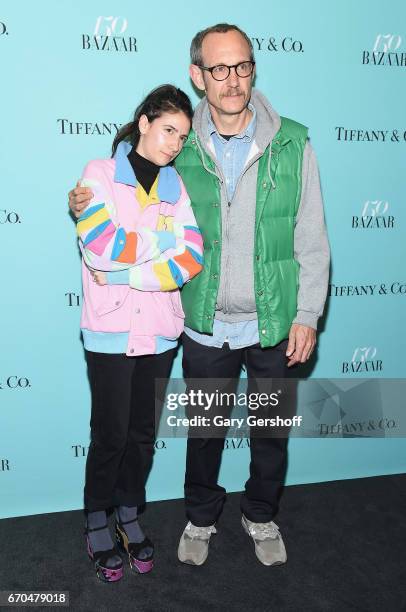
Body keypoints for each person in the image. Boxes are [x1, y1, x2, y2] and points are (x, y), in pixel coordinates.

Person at [69, 24, 330, 568]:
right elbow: (128, 196)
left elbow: (310, 236)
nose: (232, 80)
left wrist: (307, 313)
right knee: (204, 434)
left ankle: (261, 515)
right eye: (219, 69)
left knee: (270, 433)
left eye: (242, 66)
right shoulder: (180, 148)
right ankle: (200, 517)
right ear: (199, 75)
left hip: (274, 320)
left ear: (253, 69)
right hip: (204, 322)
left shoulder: (293, 141)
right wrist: (86, 204)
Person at [74, 84, 203, 582]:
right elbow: (101, 247)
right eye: (168, 129)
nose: (174, 143)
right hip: (110, 331)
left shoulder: (177, 186)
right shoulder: (98, 174)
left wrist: (130, 270)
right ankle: (96, 520)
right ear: (144, 122)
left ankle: (129, 514)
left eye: (183, 136)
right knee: (109, 435)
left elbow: (189, 260)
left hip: (160, 332)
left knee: (143, 436)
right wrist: (165, 239)